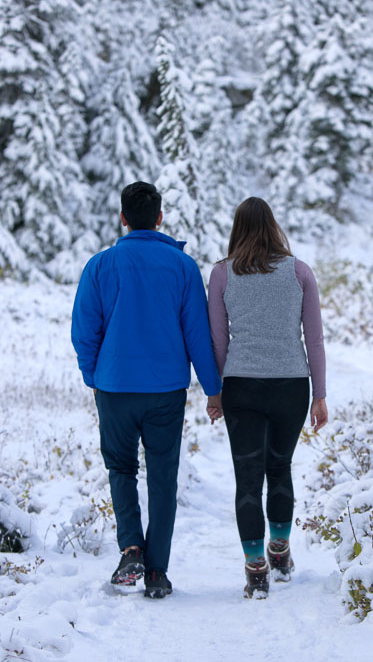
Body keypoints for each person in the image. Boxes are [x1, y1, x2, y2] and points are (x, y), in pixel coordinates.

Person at [71, 181, 222, 599]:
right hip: (166, 392)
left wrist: (95, 377)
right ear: (159, 218)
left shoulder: (100, 266)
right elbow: (198, 334)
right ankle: (156, 572)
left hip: (115, 388)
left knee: (121, 469)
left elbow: (85, 331)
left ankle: (131, 548)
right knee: (162, 478)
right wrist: (214, 389)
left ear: (122, 218)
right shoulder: (182, 267)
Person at [206, 197, 328, 599]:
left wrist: (220, 389)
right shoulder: (299, 272)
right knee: (280, 468)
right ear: (273, 226)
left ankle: (255, 568)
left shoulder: (222, 275)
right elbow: (314, 339)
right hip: (292, 385)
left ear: (237, 229)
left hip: (241, 384)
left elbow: (218, 341)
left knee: (247, 478)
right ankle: (280, 549)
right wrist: (320, 395)